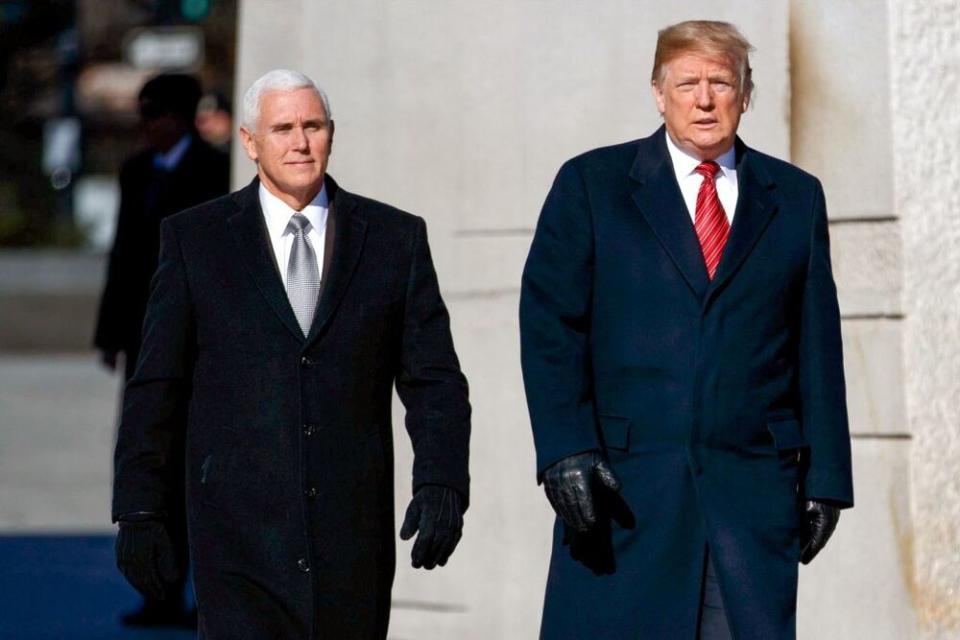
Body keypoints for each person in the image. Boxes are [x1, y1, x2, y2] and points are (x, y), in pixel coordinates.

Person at [520, 20, 852, 639]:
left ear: (746, 95)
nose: (704, 99)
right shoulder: (592, 186)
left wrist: (828, 477)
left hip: (750, 498)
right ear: (658, 92)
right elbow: (550, 327)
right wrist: (564, 447)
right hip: (622, 496)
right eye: (688, 83)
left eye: (721, 82)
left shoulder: (796, 197)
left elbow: (817, 345)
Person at [110, 68, 471, 639]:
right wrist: (138, 508)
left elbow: (435, 381)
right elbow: (158, 385)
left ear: (332, 133)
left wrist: (442, 482)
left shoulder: (393, 238)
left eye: (313, 126)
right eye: (282, 128)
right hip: (237, 536)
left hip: (351, 534)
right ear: (250, 143)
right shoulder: (196, 241)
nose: (300, 143)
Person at [94, 72, 229, 627]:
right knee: (147, 455)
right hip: (143, 341)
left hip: (197, 344)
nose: (146, 125)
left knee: (196, 465)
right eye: (141, 113)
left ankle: (206, 591)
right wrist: (108, 333)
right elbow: (122, 258)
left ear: (179, 116)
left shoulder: (215, 172)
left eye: (154, 113)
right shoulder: (135, 172)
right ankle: (161, 589)